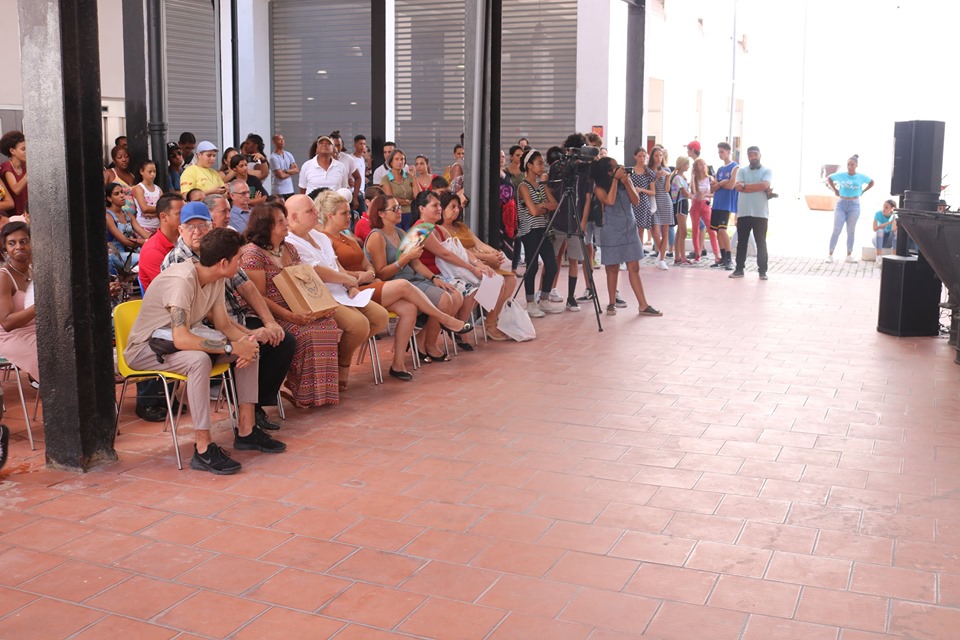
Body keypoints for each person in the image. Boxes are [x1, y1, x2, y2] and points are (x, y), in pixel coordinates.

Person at [125, 227, 286, 474]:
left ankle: (247, 430)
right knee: (198, 360)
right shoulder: (182, 281)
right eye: (239, 258)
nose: (241, 263)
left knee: (248, 348)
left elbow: (223, 325)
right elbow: (181, 338)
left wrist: (248, 342)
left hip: (176, 344)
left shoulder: (217, 277)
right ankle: (203, 449)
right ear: (223, 262)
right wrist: (233, 345)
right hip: (146, 348)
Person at [298, 192, 467, 379]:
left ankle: (398, 364)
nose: (350, 216)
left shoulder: (352, 236)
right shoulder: (336, 238)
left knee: (410, 308)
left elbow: (368, 265)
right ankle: (444, 320)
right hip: (356, 288)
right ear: (381, 213)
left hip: (370, 283)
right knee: (409, 287)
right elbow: (373, 271)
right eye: (344, 213)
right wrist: (361, 277)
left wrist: (433, 277)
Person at [163, 202, 294, 431]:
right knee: (251, 345)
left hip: (233, 319)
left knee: (282, 340)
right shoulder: (178, 261)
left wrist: (269, 322)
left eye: (202, 225)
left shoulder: (217, 248)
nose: (197, 232)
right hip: (200, 328)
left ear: (211, 226)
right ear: (180, 230)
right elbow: (210, 317)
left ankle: (253, 408)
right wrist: (249, 335)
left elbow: (247, 287)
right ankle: (246, 413)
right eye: (190, 227)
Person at [286, 193, 391, 391]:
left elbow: (335, 265)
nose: (316, 212)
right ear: (294, 217)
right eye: (310, 211)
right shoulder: (291, 241)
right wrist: (349, 279)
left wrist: (351, 285)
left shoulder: (319, 235)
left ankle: (338, 358)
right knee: (359, 326)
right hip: (320, 296)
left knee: (380, 317)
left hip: (341, 291)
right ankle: (342, 365)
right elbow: (317, 272)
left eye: (314, 208)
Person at [240, 203, 341, 407]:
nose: (286, 223)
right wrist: (289, 316)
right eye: (280, 221)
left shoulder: (290, 248)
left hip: (293, 307)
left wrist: (319, 306)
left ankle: (318, 394)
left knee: (327, 325)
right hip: (266, 314)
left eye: (285, 219)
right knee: (305, 333)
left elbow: (303, 282)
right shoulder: (253, 253)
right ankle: (297, 390)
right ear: (265, 225)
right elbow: (257, 297)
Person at [364, 194, 471, 363]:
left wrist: (434, 278)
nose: (400, 211)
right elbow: (381, 273)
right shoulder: (377, 236)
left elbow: (416, 264)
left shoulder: (400, 232)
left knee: (454, 294)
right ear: (381, 213)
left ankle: (422, 340)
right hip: (395, 283)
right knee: (444, 300)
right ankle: (430, 344)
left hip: (413, 279)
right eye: (394, 209)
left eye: (399, 207)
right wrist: (405, 259)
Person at [437, 192, 515, 340]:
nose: (456, 210)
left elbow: (479, 244)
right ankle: (487, 324)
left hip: (479, 262)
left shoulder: (461, 226)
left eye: (457, 207)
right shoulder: (441, 230)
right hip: (464, 266)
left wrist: (495, 253)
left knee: (511, 280)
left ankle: (491, 320)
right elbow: (458, 254)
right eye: (452, 207)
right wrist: (486, 257)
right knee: (497, 282)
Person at [590, 158, 662, 317]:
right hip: (611, 230)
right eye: (615, 167)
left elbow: (636, 201)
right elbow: (609, 200)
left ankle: (643, 305)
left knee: (634, 267)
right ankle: (611, 303)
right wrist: (616, 180)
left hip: (630, 228)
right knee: (612, 268)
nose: (621, 169)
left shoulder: (625, 181)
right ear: (608, 172)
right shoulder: (600, 188)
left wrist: (627, 182)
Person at [516, 149, 561, 317]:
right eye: (539, 163)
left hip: (543, 229)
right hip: (530, 230)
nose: (543, 166)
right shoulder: (523, 186)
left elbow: (555, 204)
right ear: (529, 165)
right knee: (532, 265)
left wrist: (541, 206)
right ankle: (530, 303)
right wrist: (543, 206)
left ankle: (544, 299)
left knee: (552, 265)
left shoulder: (541, 185)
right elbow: (533, 211)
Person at [0, 222, 39, 382]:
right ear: (5, 248)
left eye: (23, 241)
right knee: (52, 358)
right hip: (11, 335)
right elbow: (7, 323)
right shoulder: (4, 277)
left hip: (37, 330)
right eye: (12, 243)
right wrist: (41, 306)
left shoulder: (33, 270)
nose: (19, 247)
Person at [729, 146, 772, 280]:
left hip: (761, 213)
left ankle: (762, 271)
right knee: (742, 242)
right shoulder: (742, 171)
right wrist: (754, 187)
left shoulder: (767, 170)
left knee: (761, 242)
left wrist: (745, 187)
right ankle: (739, 269)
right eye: (750, 155)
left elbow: (765, 185)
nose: (753, 157)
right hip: (744, 212)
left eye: (755, 154)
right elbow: (737, 187)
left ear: (760, 155)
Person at [826, 154, 874, 263]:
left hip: (854, 205)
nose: (849, 166)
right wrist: (835, 190)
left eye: (852, 164)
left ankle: (849, 255)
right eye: (848, 164)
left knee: (851, 230)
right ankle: (830, 254)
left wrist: (863, 191)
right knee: (837, 229)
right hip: (841, 204)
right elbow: (829, 178)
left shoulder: (861, 177)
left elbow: (872, 182)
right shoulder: (841, 175)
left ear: (856, 165)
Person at [138, 193, 185, 292]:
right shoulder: (152, 250)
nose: (185, 218)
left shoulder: (184, 238)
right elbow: (169, 289)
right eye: (179, 214)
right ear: (163, 217)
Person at [105, 182, 150, 275]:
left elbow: (145, 234)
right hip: (117, 253)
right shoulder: (108, 216)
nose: (122, 196)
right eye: (117, 194)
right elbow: (124, 240)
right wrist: (144, 242)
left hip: (132, 249)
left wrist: (154, 238)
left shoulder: (128, 215)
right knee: (147, 258)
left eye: (122, 192)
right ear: (109, 198)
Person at [711, 142, 739, 270]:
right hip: (717, 202)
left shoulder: (735, 167)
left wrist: (720, 184)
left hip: (726, 203)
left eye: (722, 152)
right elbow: (713, 187)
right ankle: (722, 257)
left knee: (723, 230)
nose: (720, 154)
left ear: (728, 152)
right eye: (719, 152)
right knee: (717, 231)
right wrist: (722, 183)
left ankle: (729, 259)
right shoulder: (720, 169)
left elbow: (731, 185)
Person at [649, 145, 674, 270]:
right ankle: (661, 253)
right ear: (652, 157)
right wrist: (655, 177)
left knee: (665, 231)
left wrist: (668, 176)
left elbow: (667, 190)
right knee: (655, 232)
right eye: (656, 155)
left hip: (665, 200)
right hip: (653, 201)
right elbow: (648, 185)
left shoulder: (666, 169)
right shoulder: (648, 170)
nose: (659, 158)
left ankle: (662, 259)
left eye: (660, 155)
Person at [380, 149, 415, 230]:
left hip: (411, 213)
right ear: (391, 162)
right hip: (395, 214)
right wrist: (408, 202)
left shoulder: (409, 176)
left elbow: (418, 195)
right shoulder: (386, 179)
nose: (400, 162)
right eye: (397, 159)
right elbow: (391, 198)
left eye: (402, 159)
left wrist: (414, 178)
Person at [689, 158, 716, 264]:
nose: (703, 166)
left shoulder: (710, 178)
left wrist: (705, 195)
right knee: (695, 230)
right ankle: (697, 253)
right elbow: (693, 191)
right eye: (701, 164)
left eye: (704, 164)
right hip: (695, 204)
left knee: (711, 230)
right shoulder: (695, 179)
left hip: (706, 204)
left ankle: (717, 254)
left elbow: (714, 193)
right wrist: (692, 176)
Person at [103, 145, 138, 222]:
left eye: (126, 157)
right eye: (120, 157)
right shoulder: (109, 173)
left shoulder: (132, 176)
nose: (124, 160)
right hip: (116, 218)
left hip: (133, 218)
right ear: (114, 159)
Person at [329, 131, 362, 209]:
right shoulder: (323, 159)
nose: (336, 148)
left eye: (338, 145)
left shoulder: (347, 159)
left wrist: (355, 197)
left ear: (342, 145)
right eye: (334, 145)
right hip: (328, 200)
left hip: (344, 198)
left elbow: (358, 177)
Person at [670, 156, 692, 266]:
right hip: (680, 203)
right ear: (682, 165)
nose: (688, 166)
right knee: (683, 231)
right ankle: (682, 256)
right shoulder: (678, 178)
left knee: (680, 232)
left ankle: (678, 256)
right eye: (687, 164)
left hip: (683, 204)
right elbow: (685, 194)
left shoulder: (682, 177)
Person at [0, 131, 28, 217]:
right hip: (12, 216)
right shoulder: (7, 166)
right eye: (23, 149)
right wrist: (28, 175)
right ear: (12, 151)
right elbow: (16, 189)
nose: (26, 152)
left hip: (24, 214)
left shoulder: (24, 167)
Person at [132, 160, 163, 235]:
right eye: (149, 172)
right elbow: (144, 208)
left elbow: (164, 207)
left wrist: (153, 212)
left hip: (158, 227)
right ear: (141, 172)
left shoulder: (158, 189)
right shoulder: (139, 188)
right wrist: (158, 210)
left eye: (154, 171)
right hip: (144, 227)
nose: (152, 174)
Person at [270, 134, 299, 199]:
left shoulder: (288, 154)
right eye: (279, 140)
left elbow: (297, 170)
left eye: (283, 139)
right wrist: (291, 172)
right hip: (279, 191)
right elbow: (281, 175)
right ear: (274, 142)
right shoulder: (273, 157)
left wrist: (286, 171)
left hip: (290, 189)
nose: (282, 141)